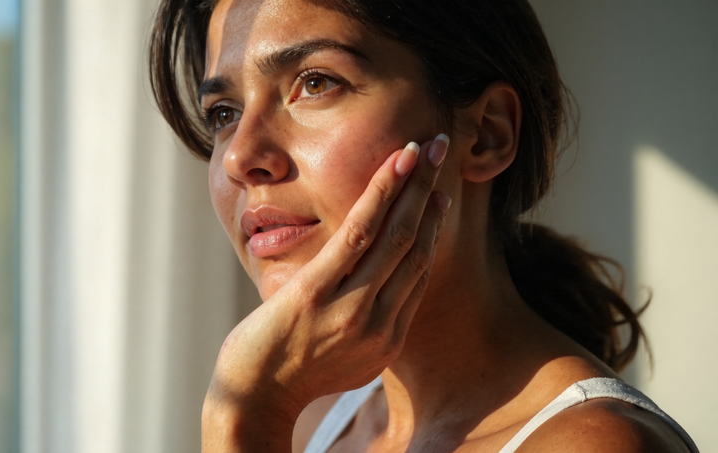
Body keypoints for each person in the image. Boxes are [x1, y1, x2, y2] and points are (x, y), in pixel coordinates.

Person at [148, 0, 700, 451]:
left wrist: (245, 415)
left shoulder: (594, 445)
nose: (240, 157)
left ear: (487, 133)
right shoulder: (331, 422)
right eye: (223, 112)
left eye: (315, 83)